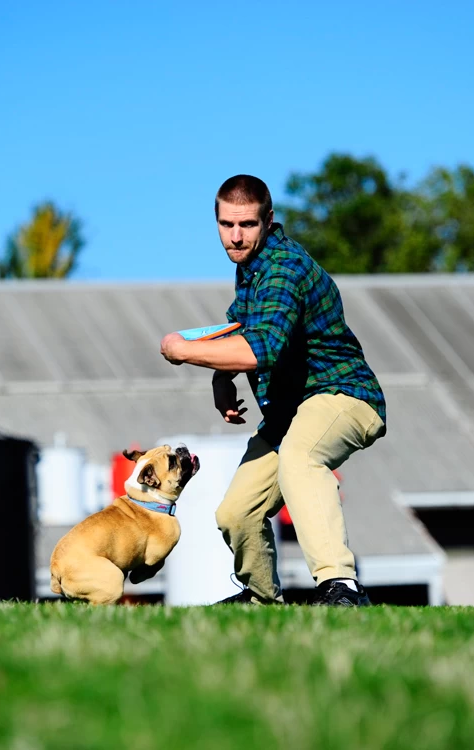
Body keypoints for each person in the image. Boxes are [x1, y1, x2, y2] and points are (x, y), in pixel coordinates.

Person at [160, 174, 387, 606]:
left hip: (343, 395)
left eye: (247, 224)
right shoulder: (250, 273)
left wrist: (184, 351)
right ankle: (263, 601)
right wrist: (220, 378)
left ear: (268, 220)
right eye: (227, 225)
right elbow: (239, 329)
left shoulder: (283, 268)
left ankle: (341, 587)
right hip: (291, 412)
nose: (236, 236)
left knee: (301, 458)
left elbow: (260, 349)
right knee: (236, 513)